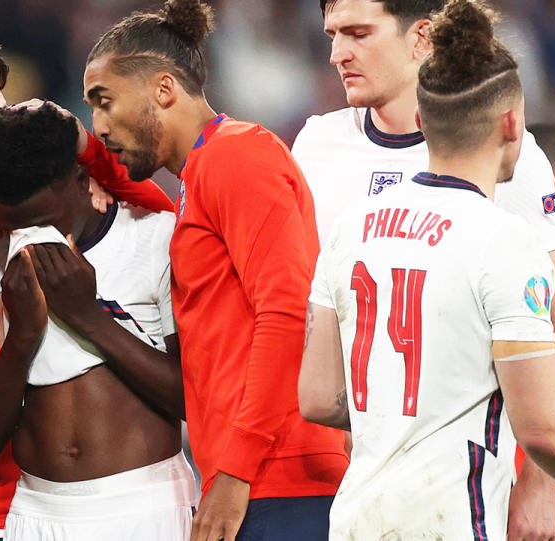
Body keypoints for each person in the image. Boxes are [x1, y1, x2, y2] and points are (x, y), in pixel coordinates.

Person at [0, 41, 175, 541]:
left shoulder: (148, 233)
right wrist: (11, 334)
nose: (3, 136)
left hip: (146, 502)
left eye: (9, 114)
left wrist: (82, 145)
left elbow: (197, 396)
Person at [82, 1, 349, 540]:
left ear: (163, 90)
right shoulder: (199, 175)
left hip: (280, 479)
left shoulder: (237, 157)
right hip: (255, 478)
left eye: (105, 102)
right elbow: (125, 177)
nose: (99, 125)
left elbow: (286, 314)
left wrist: (234, 470)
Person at [291, 0, 555, 536]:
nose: (338, 54)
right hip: (396, 487)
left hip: (423, 492)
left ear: (421, 36)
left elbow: (550, 317)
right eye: (332, 34)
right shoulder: (316, 146)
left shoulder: (518, 161)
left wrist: (545, 486)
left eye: (359, 33)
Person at [0, 103, 194, 541]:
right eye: (11, 223)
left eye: (44, 221)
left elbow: (193, 401)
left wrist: (87, 316)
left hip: (150, 504)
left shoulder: (156, 238)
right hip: (36, 513)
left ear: (80, 181)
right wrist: (20, 337)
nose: (30, 239)